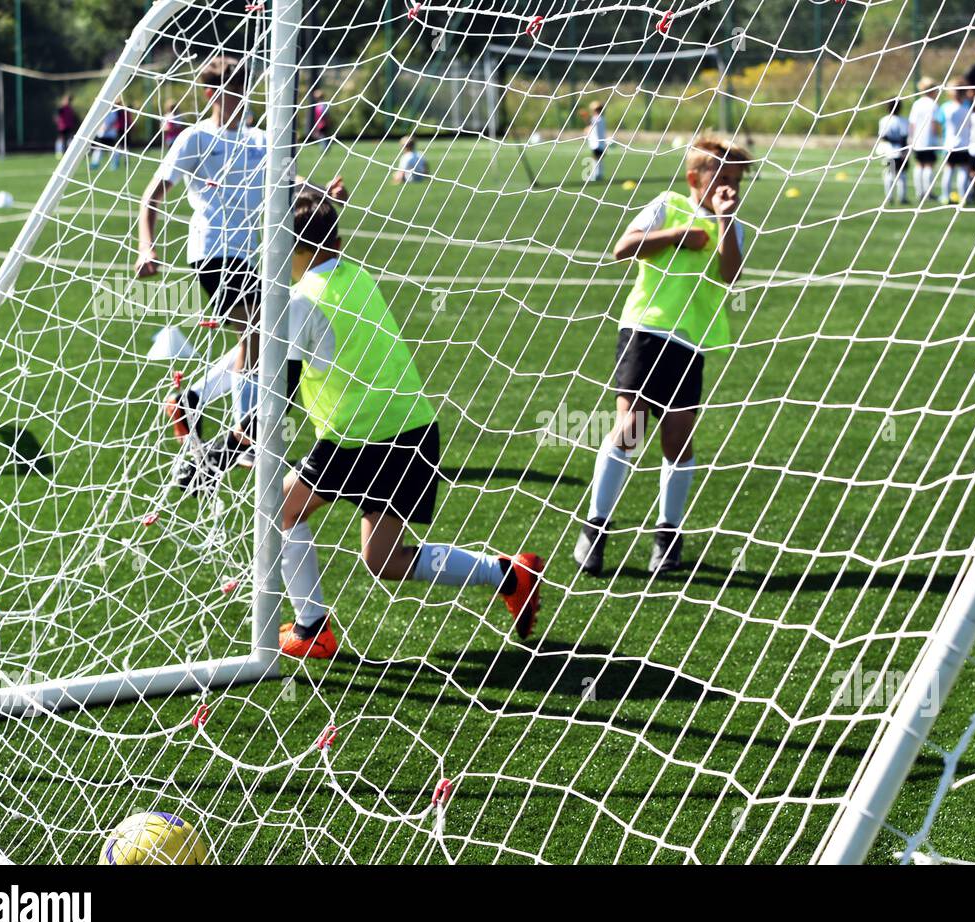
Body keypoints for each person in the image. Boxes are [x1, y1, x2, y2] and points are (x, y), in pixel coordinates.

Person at [275, 190, 544, 658]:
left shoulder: (302, 299)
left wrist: (235, 441)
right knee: (383, 560)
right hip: (414, 429)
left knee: (284, 509)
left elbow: (282, 391)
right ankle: (509, 574)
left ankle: (310, 627)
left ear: (296, 249)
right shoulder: (356, 276)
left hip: (359, 437)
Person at [136, 55, 346, 486]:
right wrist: (146, 247)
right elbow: (152, 195)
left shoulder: (260, 140)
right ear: (212, 94)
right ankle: (246, 437)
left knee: (268, 336)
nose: (241, 100)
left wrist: (326, 192)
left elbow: (292, 183)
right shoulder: (195, 139)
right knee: (255, 331)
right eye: (232, 92)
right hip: (211, 251)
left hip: (253, 256)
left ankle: (192, 399)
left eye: (245, 91)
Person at [572, 136, 751, 576]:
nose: (731, 187)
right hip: (644, 330)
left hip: (690, 343)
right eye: (722, 178)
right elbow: (623, 248)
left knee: (678, 438)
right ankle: (595, 528)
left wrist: (725, 223)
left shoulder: (731, 225)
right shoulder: (666, 205)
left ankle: (668, 535)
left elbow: (731, 276)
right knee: (629, 429)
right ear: (696, 178)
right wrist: (674, 237)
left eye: (737, 180)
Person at [908, 79, 942, 201]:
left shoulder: (916, 103)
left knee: (919, 165)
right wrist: (937, 137)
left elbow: (912, 123)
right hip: (929, 140)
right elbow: (935, 123)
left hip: (917, 139)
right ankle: (929, 192)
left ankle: (919, 191)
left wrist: (911, 137)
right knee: (929, 165)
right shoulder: (933, 104)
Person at [940, 82, 974, 202]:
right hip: (964, 143)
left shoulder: (946, 107)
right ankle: (963, 196)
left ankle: (945, 196)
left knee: (949, 170)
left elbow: (941, 123)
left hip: (950, 143)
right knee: (963, 170)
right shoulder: (967, 108)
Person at [877, 98, 910, 204]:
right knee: (901, 175)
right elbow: (904, 138)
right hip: (899, 152)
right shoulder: (903, 120)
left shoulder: (883, 120)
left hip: (888, 152)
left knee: (890, 173)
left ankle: (889, 197)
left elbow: (882, 136)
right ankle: (902, 198)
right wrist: (905, 152)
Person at [586, 101, 608, 182]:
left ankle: (596, 175)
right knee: (598, 159)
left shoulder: (597, 118)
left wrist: (585, 116)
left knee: (596, 159)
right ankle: (599, 175)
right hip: (600, 143)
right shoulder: (602, 118)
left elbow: (589, 123)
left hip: (597, 143)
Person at [308, 89, 333, 153]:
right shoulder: (318, 105)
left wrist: (327, 122)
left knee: (323, 136)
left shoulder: (322, 105)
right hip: (319, 124)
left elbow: (326, 114)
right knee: (322, 136)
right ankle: (325, 148)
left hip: (323, 124)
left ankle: (325, 149)